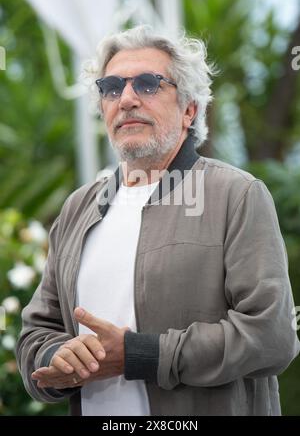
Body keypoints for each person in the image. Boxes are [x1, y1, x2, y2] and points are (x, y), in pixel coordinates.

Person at [16, 25, 300, 416]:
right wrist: (59, 356)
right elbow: (36, 333)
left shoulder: (237, 194)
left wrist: (140, 355)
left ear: (189, 110)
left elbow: (271, 336)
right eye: (112, 87)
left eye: (148, 84)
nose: (127, 98)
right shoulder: (77, 209)